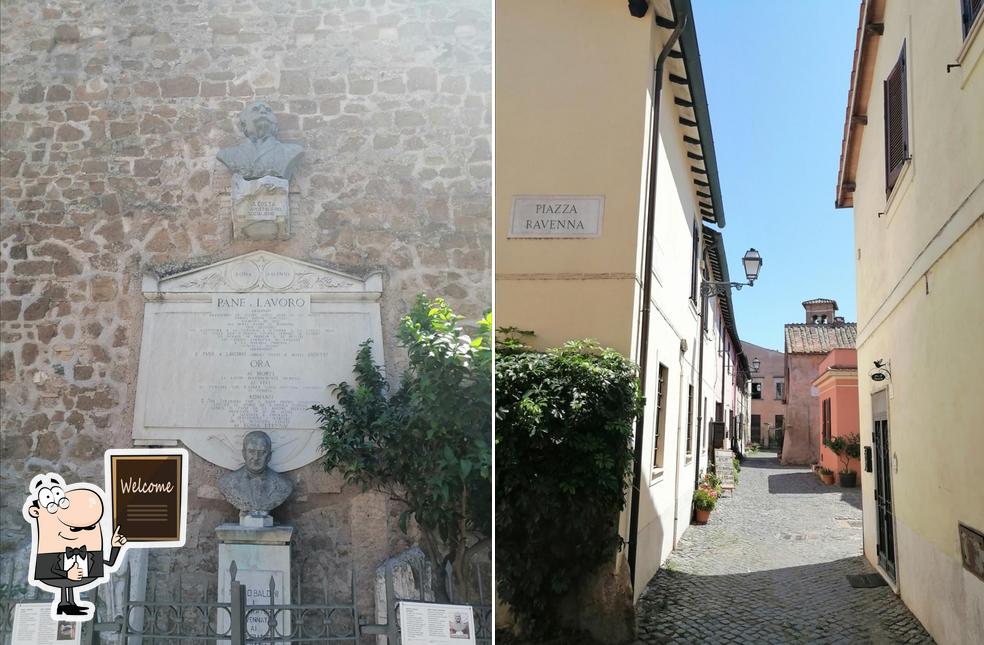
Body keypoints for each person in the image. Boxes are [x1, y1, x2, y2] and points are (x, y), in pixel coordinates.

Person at [23, 474, 127, 618]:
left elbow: (109, 563)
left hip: (76, 570)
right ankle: (65, 604)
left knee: (69, 583)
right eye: (75, 529)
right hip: (60, 571)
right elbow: (49, 570)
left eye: (90, 528)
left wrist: (115, 546)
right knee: (66, 582)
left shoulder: (89, 552)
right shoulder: (51, 551)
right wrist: (67, 574)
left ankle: (68, 604)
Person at [216, 101, 303, 181]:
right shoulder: (229, 155)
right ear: (243, 125)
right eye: (255, 110)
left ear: (275, 124)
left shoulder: (291, 151)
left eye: (268, 110)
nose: (263, 111)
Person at [218, 431, 294, 518]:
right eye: (251, 451)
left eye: (262, 452)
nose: (256, 457)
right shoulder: (227, 482)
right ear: (244, 453)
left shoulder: (284, 485)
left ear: (269, 456)